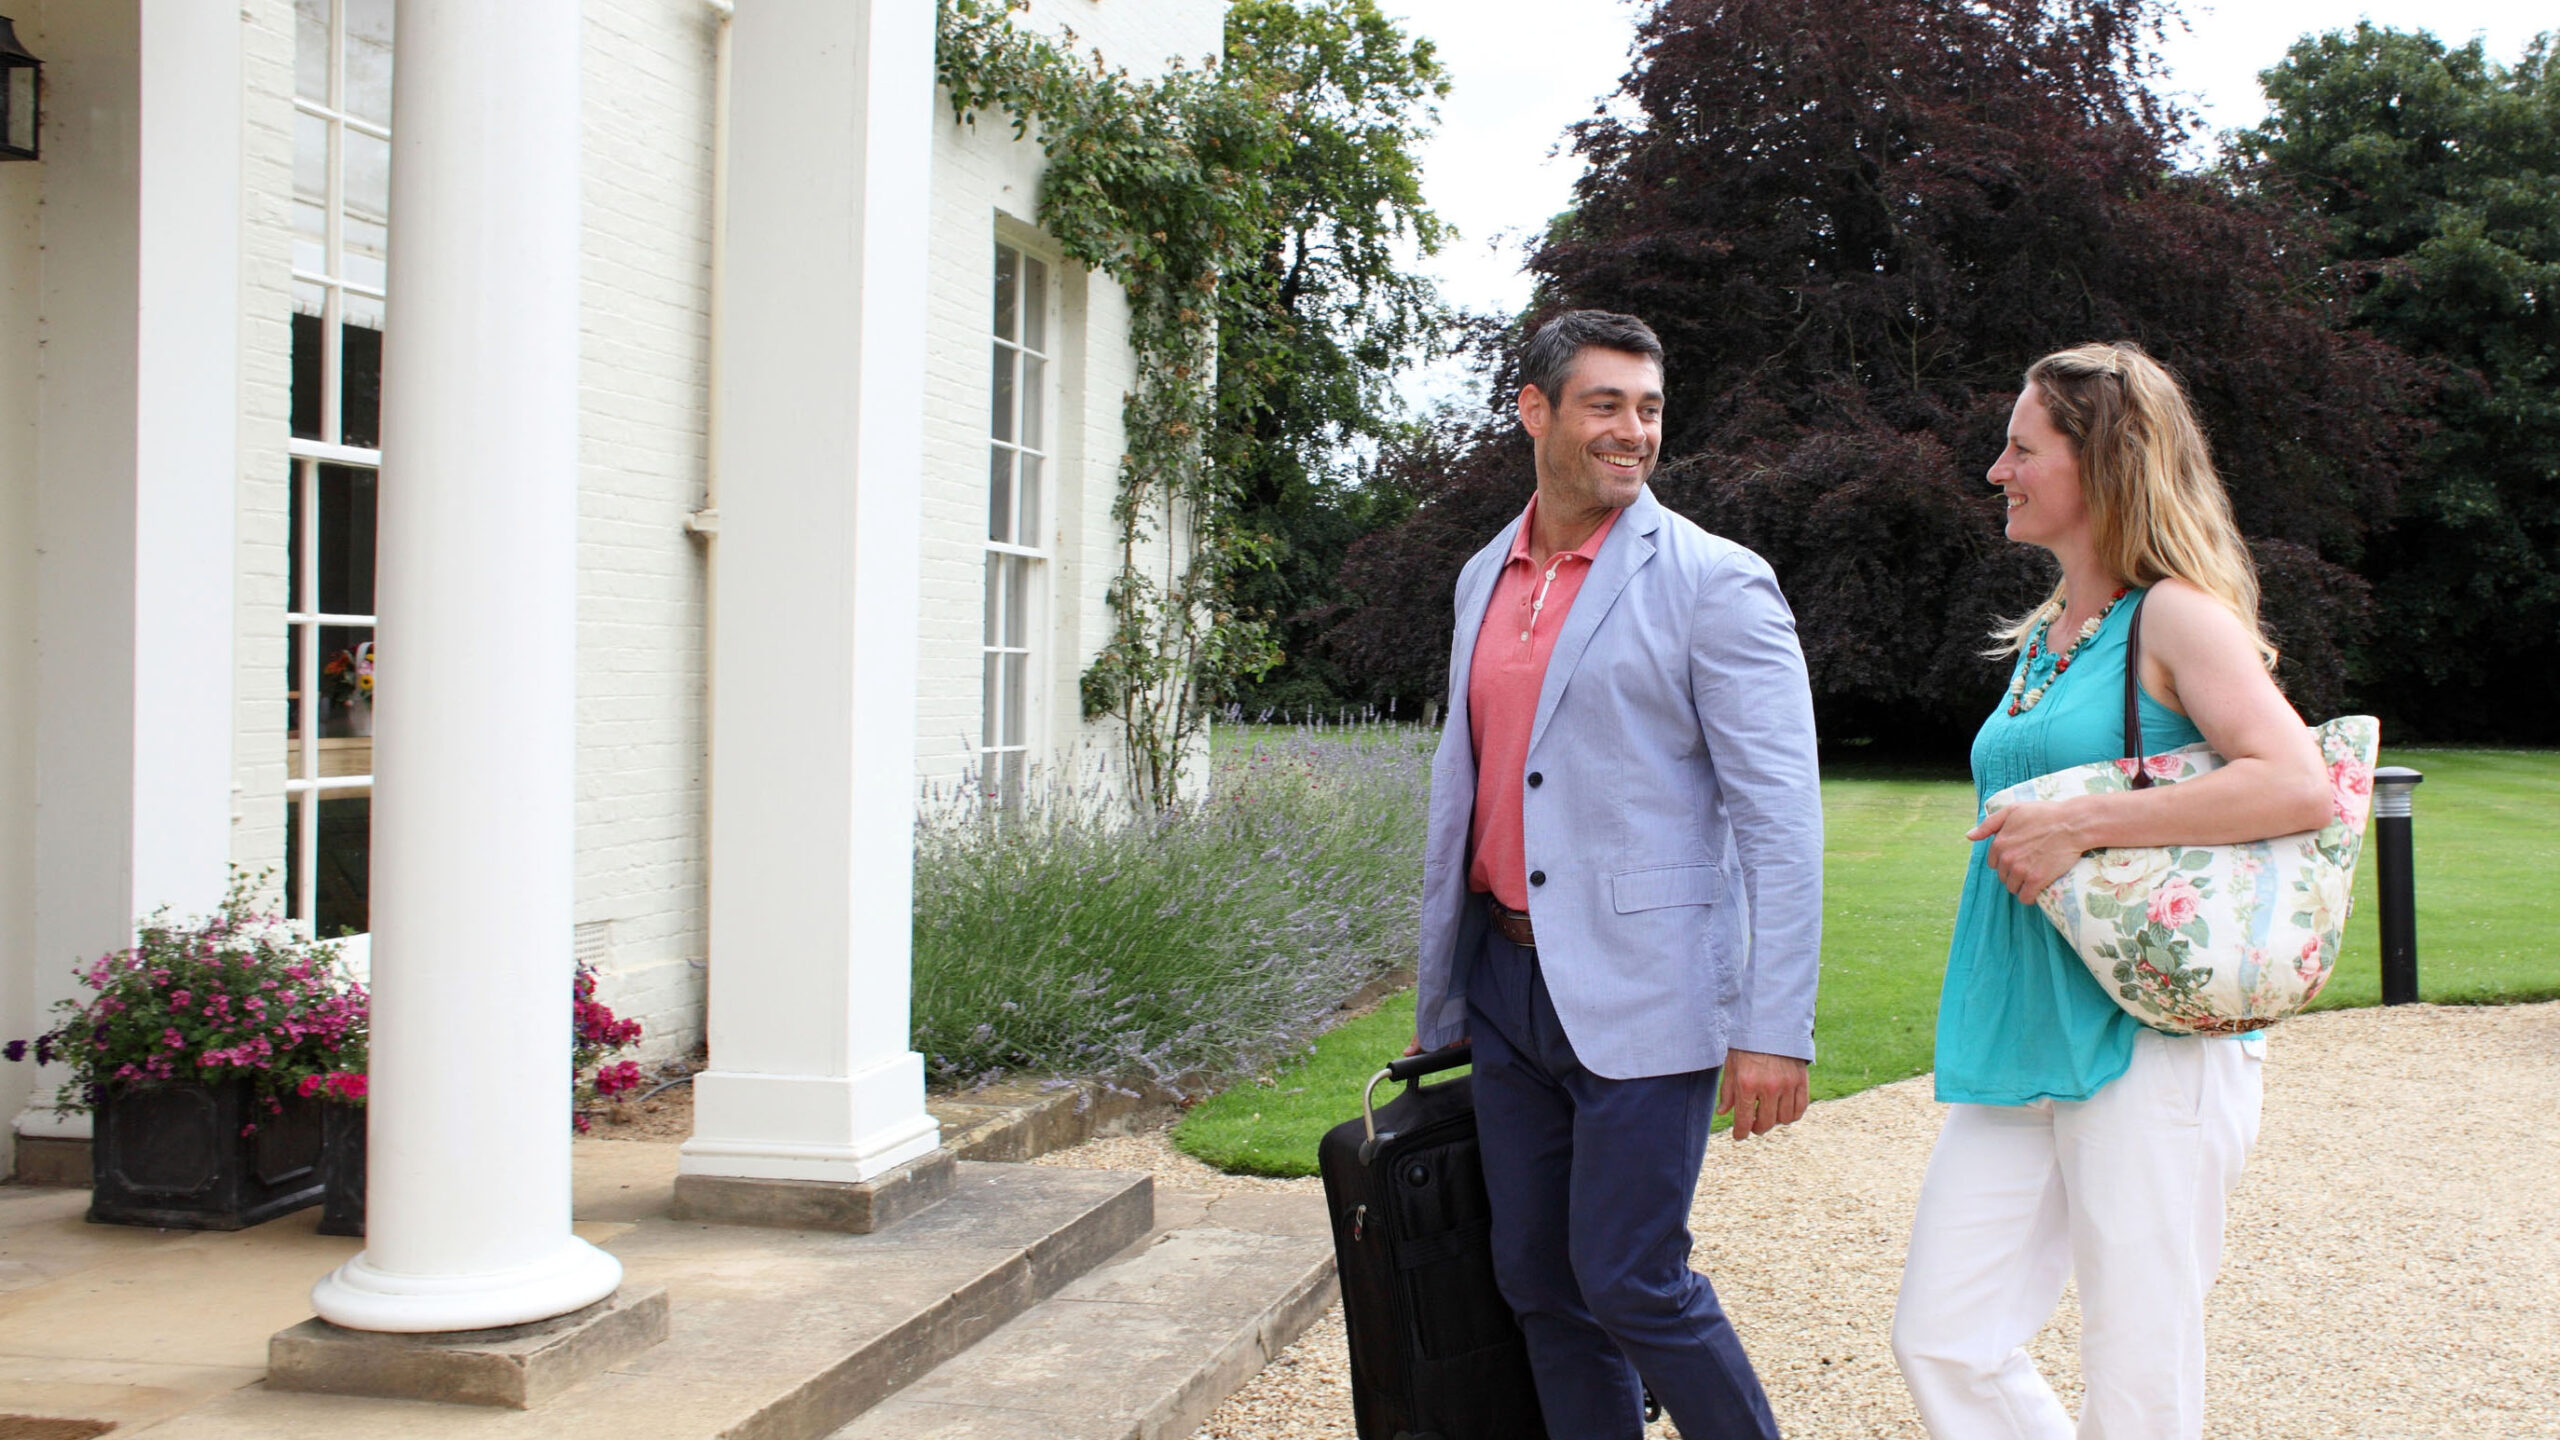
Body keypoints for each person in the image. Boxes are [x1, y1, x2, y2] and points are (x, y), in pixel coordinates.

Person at [1890, 341, 2334, 1439]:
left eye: (2020, 448)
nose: (1996, 470)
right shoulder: (2047, 637)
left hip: (2148, 1040)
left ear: (2104, 465)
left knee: (2138, 1377)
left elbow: (2294, 783)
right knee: (1943, 1335)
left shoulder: (2176, 616)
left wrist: (2082, 821)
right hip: (2027, 1030)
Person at [1408, 309, 1824, 1440]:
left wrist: (1773, 1023)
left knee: (1631, 1278)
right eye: (1605, 405)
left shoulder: (1716, 582)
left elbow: (1780, 820)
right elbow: (1476, 782)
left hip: (1649, 986)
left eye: (1647, 409)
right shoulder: (1481, 574)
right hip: (1503, 982)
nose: (1632, 432)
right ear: (1535, 410)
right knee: (1538, 1282)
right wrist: (1448, 987)